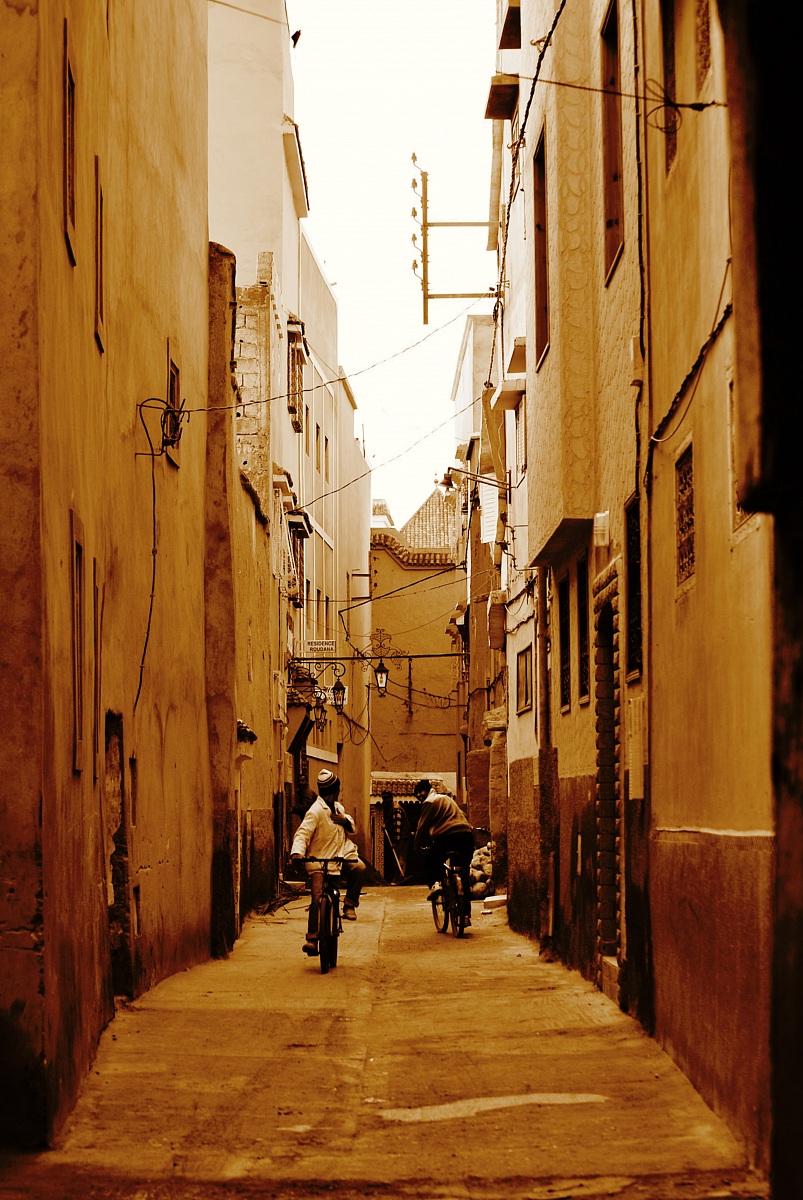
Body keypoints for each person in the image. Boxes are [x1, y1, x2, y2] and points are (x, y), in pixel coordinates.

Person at [290, 769, 367, 956]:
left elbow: (352, 829)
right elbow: (302, 833)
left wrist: (345, 821)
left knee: (359, 868)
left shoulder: (338, 809)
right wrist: (297, 852)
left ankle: (349, 904)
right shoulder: (315, 811)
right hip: (320, 861)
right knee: (317, 897)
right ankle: (312, 939)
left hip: (341, 856)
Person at [412, 779, 474, 925]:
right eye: (417, 794)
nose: (419, 795)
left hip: (447, 837)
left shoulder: (430, 802)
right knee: (463, 873)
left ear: (428, 790)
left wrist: (416, 846)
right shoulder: (446, 799)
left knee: (431, 861)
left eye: (421, 791)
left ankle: (436, 884)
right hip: (466, 836)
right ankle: (465, 915)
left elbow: (422, 827)